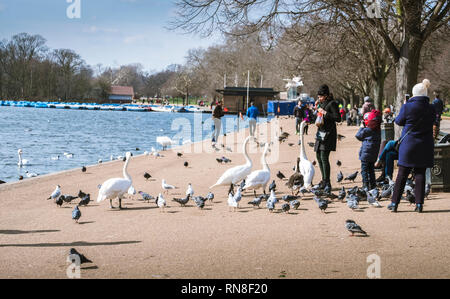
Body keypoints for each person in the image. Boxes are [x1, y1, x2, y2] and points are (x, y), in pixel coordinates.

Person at [388, 79, 436, 213]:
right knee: (420, 173)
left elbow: (398, 121)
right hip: (425, 144)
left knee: (402, 174)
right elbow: (434, 120)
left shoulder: (408, 106)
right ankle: (419, 204)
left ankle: (394, 203)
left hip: (409, 144)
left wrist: (405, 105)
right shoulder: (431, 108)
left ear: (414, 94)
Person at [314, 84, 341, 190]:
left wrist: (324, 112)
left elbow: (338, 118)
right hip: (320, 132)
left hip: (329, 133)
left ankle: (327, 182)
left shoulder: (332, 103)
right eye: (318, 97)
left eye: (320, 96)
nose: (319, 98)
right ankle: (323, 179)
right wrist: (317, 108)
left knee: (324, 157)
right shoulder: (321, 104)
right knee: (318, 156)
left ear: (325, 95)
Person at [356, 110, 382, 190]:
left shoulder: (367, 130)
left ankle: (365, 184)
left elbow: (358, 136)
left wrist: (361, 127)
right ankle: (373, 185)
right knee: (371, 170)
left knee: (364, 170)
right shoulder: (378, 130)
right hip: (373, 154)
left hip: (365, 154)